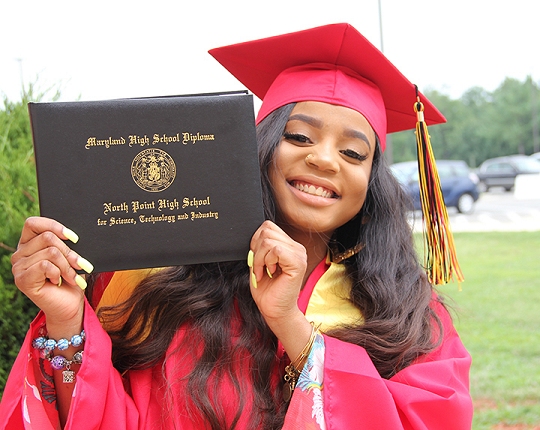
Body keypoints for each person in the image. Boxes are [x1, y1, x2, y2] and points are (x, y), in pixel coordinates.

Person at [0, 23, 472, 429]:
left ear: (372, 183)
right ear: (257, 152)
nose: (324, 159)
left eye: (354, 152)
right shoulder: (158, 285)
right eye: (300, 136)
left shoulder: (407, 311)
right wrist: (65, 318)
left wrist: (292, 328)